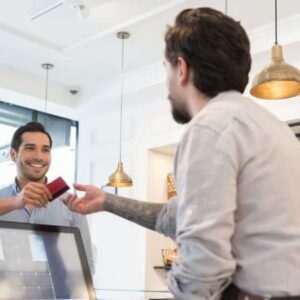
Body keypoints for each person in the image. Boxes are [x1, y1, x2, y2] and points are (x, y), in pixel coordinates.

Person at [63, 7, 300, 300]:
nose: (168, 83)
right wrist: (108, 201)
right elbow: (178, 216)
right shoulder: (273, 129)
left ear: (182, 68)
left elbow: (203, 255)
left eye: (166, 68)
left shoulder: (210, 127)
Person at [0, 122, 94, 274]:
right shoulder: (3, 199)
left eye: (45, 150)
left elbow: (87, 265)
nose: (39, 156)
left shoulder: (70, 204)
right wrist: (15, 202)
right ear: (13, 154)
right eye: (30, 148)